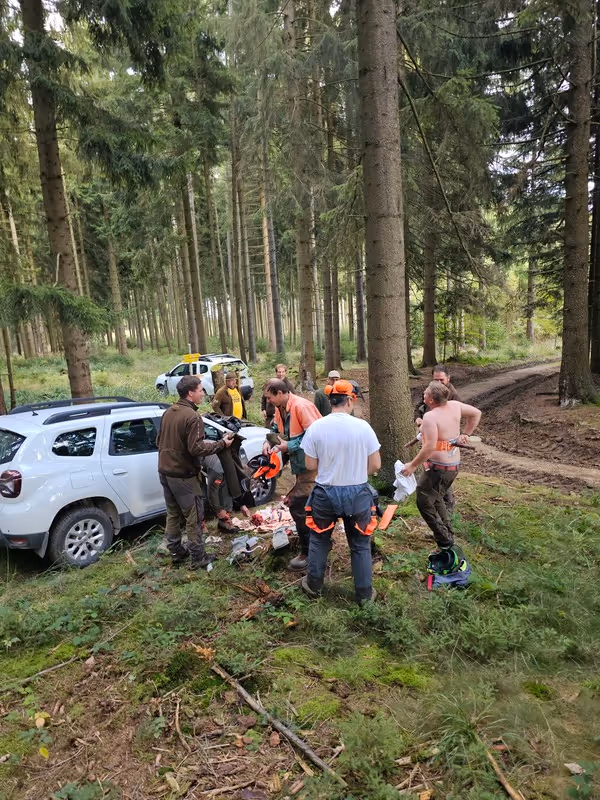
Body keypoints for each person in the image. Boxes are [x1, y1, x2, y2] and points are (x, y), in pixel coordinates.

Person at [300, 380, 381, 604]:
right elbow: (375, 465)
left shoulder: (316, 427)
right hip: (357, 494)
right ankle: (364, 595)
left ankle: (313, 586)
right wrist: (356, 474)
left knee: (319, 540)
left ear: (331, 401)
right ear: (350, 401)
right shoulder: (363, 427)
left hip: (325, 493)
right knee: (360, 545)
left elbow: (310, 465)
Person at [157, 375, 234, 568]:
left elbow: (159, 441)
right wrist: (221, 444)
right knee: (194, 517)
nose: (203, 394)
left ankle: (176, 551)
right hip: (183, 475)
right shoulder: (192, 417)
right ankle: (198, 558)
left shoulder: (168, 412)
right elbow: (196, 448)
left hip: (165, 472)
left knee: (173, 514)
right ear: (190, 393)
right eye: (200, 390)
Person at [402, 381, 481, 551]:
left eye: (425, 392)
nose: (423, 394)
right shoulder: (455, 406)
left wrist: (413, 465)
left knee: (424, 501)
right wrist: (466, 433)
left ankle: (444, 541)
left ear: (431, 399)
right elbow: (476, 413)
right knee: (436, 497)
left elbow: (429, 447)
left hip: (439, 469)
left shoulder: (431, 417)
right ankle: (447, 534)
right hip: (452, 467)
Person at [262, 378, 321, 570]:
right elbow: (275, 428)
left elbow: (315, 434)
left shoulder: (302, 406)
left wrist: (290, 445)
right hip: (298, 463)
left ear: (280, 393)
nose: (268, 401)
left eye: (270, 397)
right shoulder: (280, 408)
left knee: (298, 505)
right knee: (305, 504)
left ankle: (309, 553)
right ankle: (321, 543)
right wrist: (268, 441)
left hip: (311, 463)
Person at [414, 365, 460, 512]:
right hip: (428, 437)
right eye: (436, 380)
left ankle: (448, 505)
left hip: (443, 443)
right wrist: (418, 418)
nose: (439, 382)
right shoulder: (430, 390)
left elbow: (456, 418)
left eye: (441, 380)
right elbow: (419, 406)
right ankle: (438, 502)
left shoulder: (453, 396)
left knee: (441, 472)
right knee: (431, 469)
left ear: (448, 378)